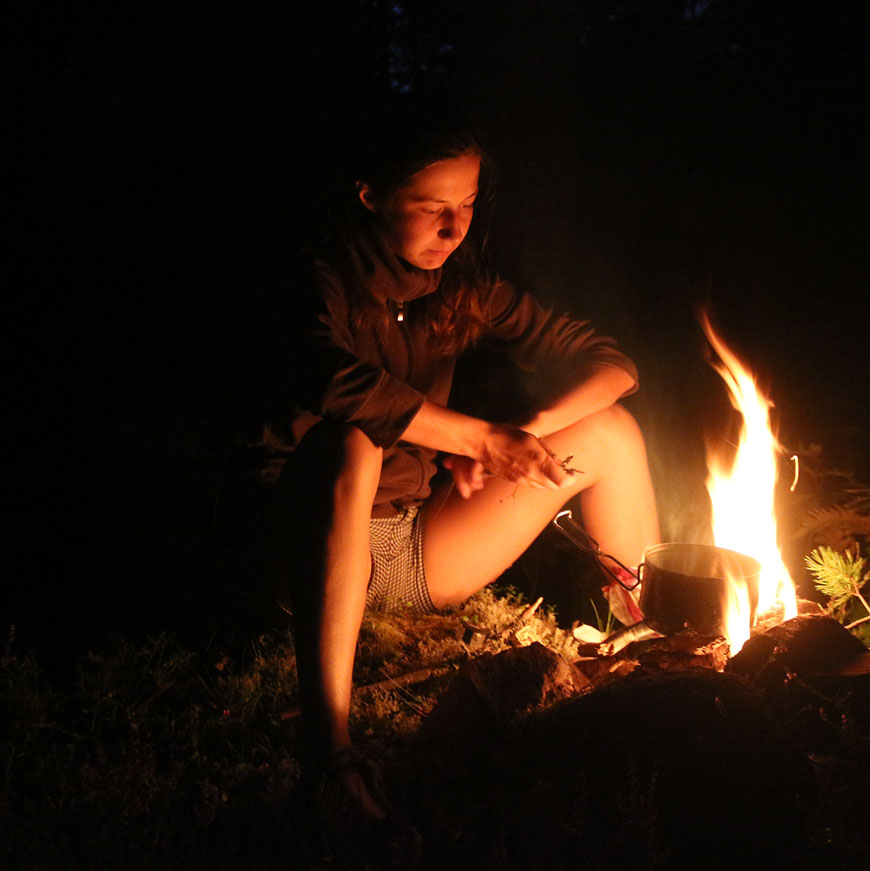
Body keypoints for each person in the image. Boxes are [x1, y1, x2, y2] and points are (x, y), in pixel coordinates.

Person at [257, 110, 660, 847]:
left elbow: (615, 365)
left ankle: (662, 651)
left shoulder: (460, 285)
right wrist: (474, 435)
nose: (455, 228)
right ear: (369, 193)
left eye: (468, 206)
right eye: (432, 207)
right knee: (353, 444)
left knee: (610, 432)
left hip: (410, 549)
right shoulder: (313, 278)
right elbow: (338, 383)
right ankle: (331, 756)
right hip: (301, 547)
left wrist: (522, 436)